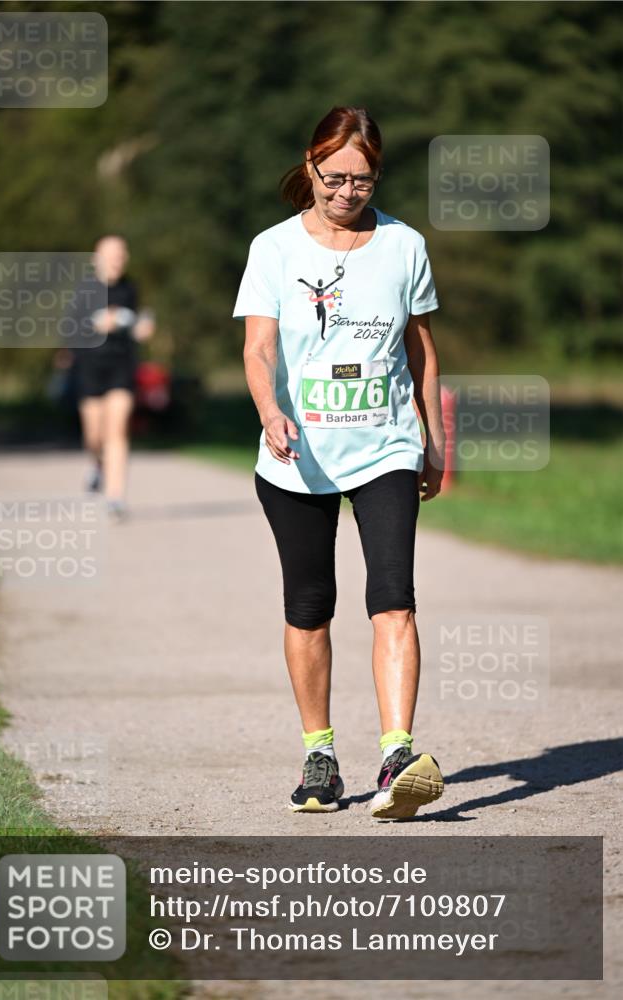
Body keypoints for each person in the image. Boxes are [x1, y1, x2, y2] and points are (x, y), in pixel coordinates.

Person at [233, 106, 445, 820]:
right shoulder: (273, 249)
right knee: (309, 607)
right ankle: (319, 756)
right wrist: (269, 410)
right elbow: (258, 348)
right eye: (334, 178)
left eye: (362, 179)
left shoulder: (403, 245)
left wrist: (435, 438)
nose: (347, 192)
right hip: (298, 452)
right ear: (310, 167)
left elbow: (420, 347)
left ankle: (396, 757)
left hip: (385, 444)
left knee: (393, 597)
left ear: (376, 175)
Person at [69, 235, 155, 520]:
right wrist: (96, 325)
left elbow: (136, 323)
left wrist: (141, 328)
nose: (118, 259)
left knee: (117, 431)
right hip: (89, 368)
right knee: (95, 435)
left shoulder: (130, 288)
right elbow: (69, 333)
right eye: (112, 254)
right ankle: (96, 464)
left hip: (122, 366)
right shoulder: (83, 291)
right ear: (97, 259)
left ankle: (115, 497)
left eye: (121, 254)